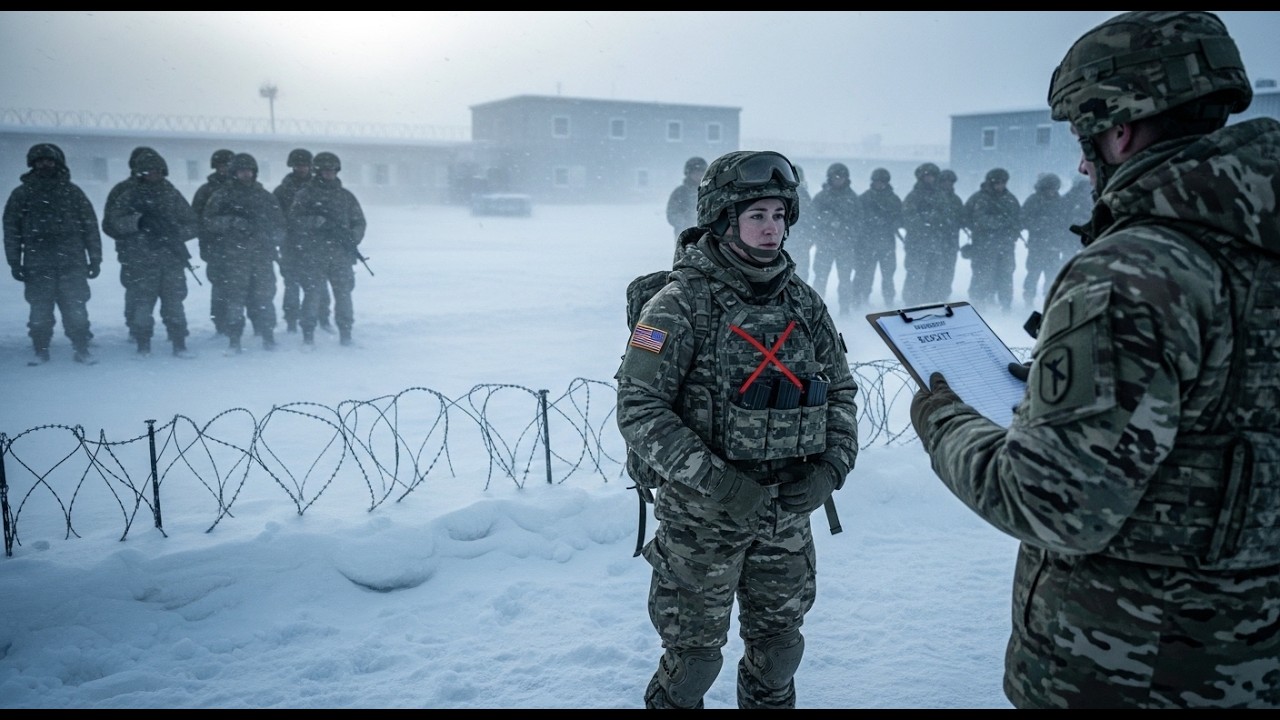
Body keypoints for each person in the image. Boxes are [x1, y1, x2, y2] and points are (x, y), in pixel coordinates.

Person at [910, 10, 1280, 709]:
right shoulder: (1251, 234)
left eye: (1084, 138)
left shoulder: (1134, 269)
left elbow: (1047, 501)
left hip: (1130, 667)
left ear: (1119, 129)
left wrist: (943, 418)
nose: (1082, 163)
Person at [614, 150, 860, 709]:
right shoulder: (679, 303)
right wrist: (720, 482)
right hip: (703, 518)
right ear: (723, 220)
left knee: (779, 655)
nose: (772, 228)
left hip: (786, 514)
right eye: (757, 216)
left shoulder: (803, 302)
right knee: (692, 666)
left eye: (779, 214)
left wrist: (831, 468)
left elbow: (841, 391)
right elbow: (640, 408)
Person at [4, 143, 103, 364]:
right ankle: (41, 349)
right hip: (38, 264)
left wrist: (95, 258)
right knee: (40, 312)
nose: (44, 165)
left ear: (57, 164)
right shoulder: (22, 194)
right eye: (39, 162)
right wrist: (14, 262)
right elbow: (11, 230)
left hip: (72, 262)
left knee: (76, 310)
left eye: (49, 161)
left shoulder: (72, 193)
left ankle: (81, 348)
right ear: (33, 165)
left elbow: (90, 227)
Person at [101, 147, 199, 356]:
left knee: (174, 304)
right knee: (142, 304)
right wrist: (139, 223)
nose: (153, 174)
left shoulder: (171, 194)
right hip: (141, 260)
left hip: (170, 259)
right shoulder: (128, 195)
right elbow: (112, 223)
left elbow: (192, 223)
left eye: (157, 170)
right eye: (147, 171)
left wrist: (173, 233)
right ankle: (142, 343)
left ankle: (179, 342)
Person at [200, 152, 285, 353]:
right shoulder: (222, 196)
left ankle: (268, 336)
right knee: (235, 299)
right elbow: (208, 222)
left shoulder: (265, 197)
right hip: (234, 258)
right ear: (234, 172)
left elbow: (280, 225)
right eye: (241, 171)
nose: (246, 174)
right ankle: (234, 339)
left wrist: (270, 237)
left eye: (249, 170)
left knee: (264, 297)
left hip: (261, 257)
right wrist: (232, 222)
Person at [288, 152, 367, 347]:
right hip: (314, 255)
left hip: (341, 256)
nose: (329, 173)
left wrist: (352, 237)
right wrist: (315, 222)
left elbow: (359, 222)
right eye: (325, 170)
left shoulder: (346, 196)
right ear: (318, 171)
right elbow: (294, 221)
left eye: (332, 170)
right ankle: (308, 336)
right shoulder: (305, 194)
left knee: (344, 296)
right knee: (312, 296)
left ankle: (346, 334)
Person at [273, 148, 330, 334]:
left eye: (305, 165)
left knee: (319, 284)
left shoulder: (320, 188)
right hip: (290, 244)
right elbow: (276, 218)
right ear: (292, 166)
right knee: (291, 284)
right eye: (298, 165)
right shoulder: (282, 191)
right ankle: (291, 320)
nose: (302, 168)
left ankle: (323, 318)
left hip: (315, 244)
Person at [960, 167, 1021, 312]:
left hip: (1005, 245)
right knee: (982, 274)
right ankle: (978, 302)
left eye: (1003, 183)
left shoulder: (1010, 199)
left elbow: (1019, 219)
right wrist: (1000, 223)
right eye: (997, 183)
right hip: (984, 245)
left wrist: (1012, 232)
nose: (1000, 186)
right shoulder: (979, 198)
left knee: (1005, 275)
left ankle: (1005, 304)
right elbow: (973, 218)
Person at [193, 148, 235, 336]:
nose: (225, 168)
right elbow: (198, 221)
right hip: (217, 246)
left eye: (228, 165)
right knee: (220, 287)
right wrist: (206, 244)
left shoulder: (244, 188)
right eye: (222, 165)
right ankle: (220, 323)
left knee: (247, 286)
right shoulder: (206, 191)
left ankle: (245, 322)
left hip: (243, 247)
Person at [808, 162, 860, 315]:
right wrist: (828, 220)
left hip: (845, 247)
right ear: (830, 178)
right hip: (825, 245)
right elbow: (812, 217)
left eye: (841, 177)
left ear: (846, 178)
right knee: (820, 278)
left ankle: (845, 309)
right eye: (835, 177)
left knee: (845, 280)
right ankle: (816, 311)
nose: (838, 180)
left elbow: (859, 221)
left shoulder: (852, 198)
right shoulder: (821, 197)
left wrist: (847, 231)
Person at [899, 162, 951, 305]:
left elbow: (947, 217)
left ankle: (930, 304)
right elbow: (908, 218)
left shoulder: (941, 196)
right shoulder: (913, 196)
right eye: (927, 176)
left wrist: (935, 220)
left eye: (932, 176)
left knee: (933, 276)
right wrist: (925, 222)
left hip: (936, 244)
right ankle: (911, 304)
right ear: (921, 177)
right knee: (915, 274)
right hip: (917, 244)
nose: (929, 178)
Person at [851, 167, 903, 307]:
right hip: (867, 244)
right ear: (873, 182)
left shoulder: (894, 200)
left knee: (888, 275)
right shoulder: (864, 198)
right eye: (877, 181)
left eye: (882, 182)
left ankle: (889, 301)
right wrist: (871, 222)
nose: (879, 184)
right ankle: (860, 300)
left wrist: (892, 223)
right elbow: (857, 218)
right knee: (864, 274)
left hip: (887, 244)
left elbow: (901, 218)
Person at [1019, 172, 1072, 309]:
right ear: (1044, 187)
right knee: (1033, 273)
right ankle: (1028, 299)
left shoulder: (1061, 202)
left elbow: (1066, 222)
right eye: (1050, 188)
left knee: (1052, 276)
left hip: (1054, 246)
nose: (1052, 191)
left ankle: (1050, 302)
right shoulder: (1033, 200)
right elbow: (1023, 220)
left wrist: (1062, 238)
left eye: (1055, 188)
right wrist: (1040, 224)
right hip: (1037, 245)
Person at [666, 156, 707, 264]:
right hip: (686, 237)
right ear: (688, 173)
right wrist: (684, 224)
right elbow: (672, 213)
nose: (698, 175)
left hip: (708, 236)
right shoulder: (680, 193)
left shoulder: (709, 191)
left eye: (701, 171)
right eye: (695, 172)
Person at [787, 164, 814, 284]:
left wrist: (809, 239)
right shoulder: (785, 194)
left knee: (801, 273)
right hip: (790, 240)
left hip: (799, 241)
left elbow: (811, 219)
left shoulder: (803, 195)